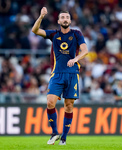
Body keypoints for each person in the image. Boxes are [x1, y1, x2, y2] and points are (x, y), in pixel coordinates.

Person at [32, 7, 88, 145]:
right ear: (58, 21)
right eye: (62, 17)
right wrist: (41, 17)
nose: (65, 19)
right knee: (50, 102)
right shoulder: (54, 34)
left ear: (70, 20)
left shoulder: (76, 34)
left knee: (68, 106)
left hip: (72, 74)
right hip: (57, 74)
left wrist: (75, 59)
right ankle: (54, 132)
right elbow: (35, 30)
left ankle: (64, 137)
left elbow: (85, 50)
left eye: (67, 17)